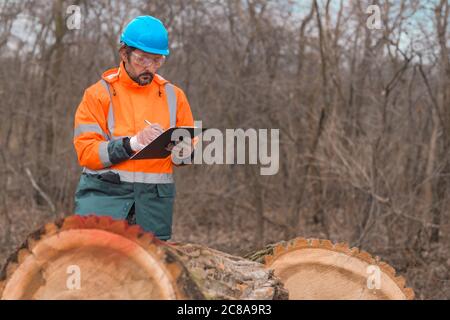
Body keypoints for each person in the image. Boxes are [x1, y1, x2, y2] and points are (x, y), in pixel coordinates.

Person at [73, 15, 195, 240]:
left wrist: (184, 153)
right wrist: (133, 143)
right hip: (104, 201)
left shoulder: (174, 97)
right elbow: (87, 152)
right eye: (142, 59)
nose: (150, 67)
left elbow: (186, 148)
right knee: (95, 267)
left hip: (153, 208)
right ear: (124, 54)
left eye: (157, 60)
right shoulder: (98, 95)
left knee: (150, 272)